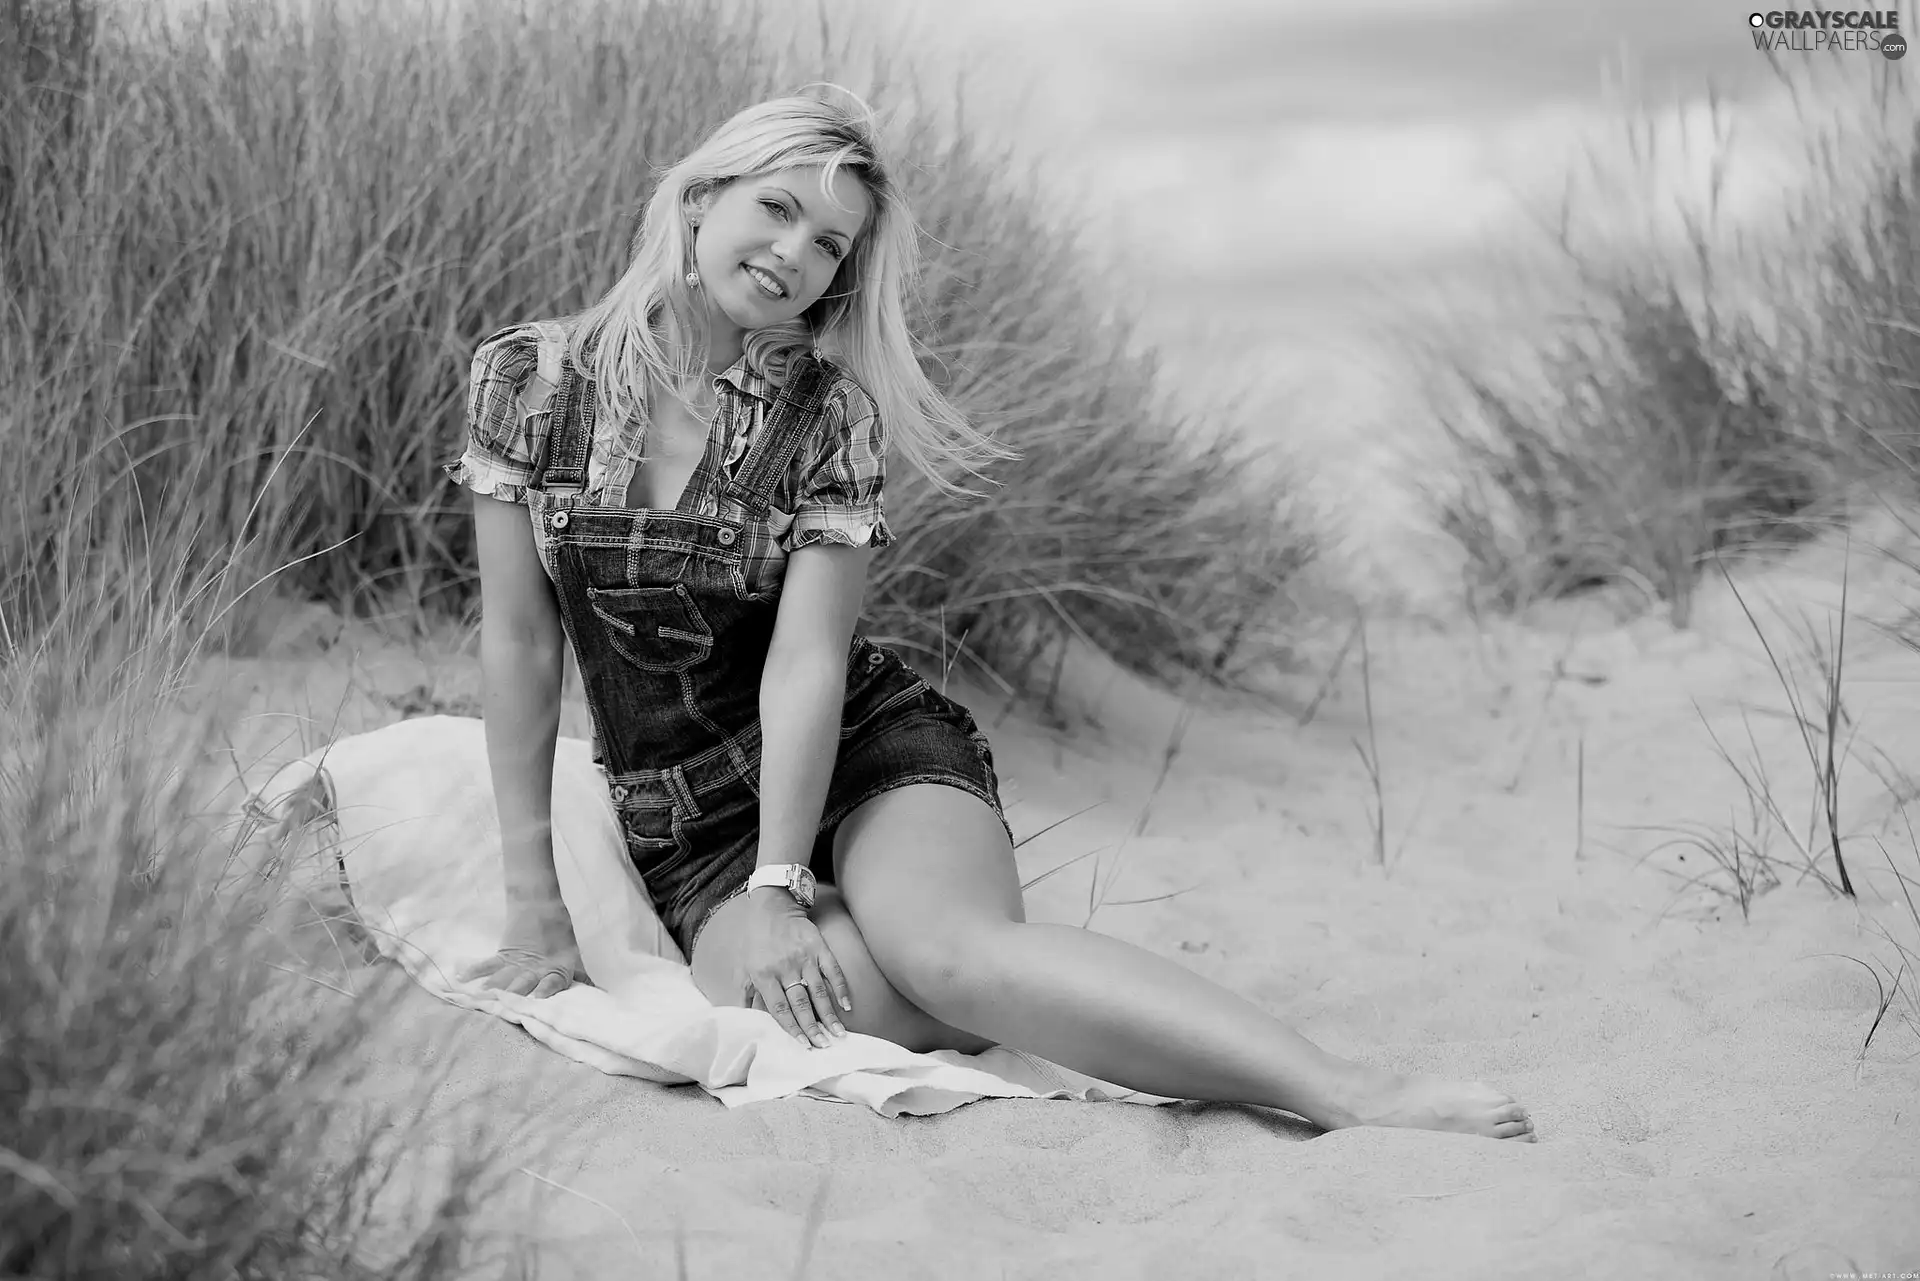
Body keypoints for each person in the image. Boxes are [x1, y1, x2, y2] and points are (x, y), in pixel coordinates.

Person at [445, 88, 1535, 1141]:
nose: (793, 253)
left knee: (952, 957)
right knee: (820, 1001)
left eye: (829, 243)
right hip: (687, 821)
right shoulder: (531, 380)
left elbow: (809, 663)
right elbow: (522, 642)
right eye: (777, 209)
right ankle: (1011, 968)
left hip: (864, 750)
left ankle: (1340, 1091)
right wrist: (532, 897)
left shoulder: (828, 416)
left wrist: (785, 885)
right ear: (700, 199)